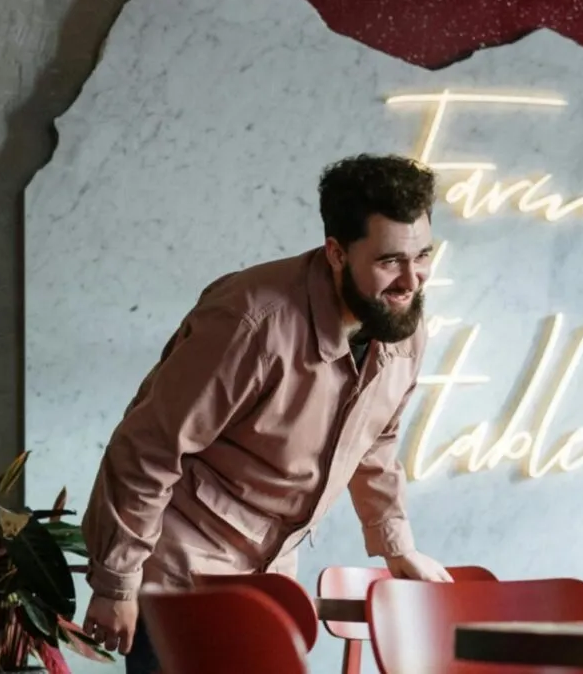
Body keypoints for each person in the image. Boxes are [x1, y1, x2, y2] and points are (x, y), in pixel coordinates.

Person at [80, 154, 451, 672]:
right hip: (179, 576)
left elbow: (377, 440)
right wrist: (116, 584)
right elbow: (147, 448)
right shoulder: (251, 322)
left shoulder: (400, 323)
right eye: (390, 261)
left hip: (268, 580)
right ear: (336, 252)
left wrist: (396, 545)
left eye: (424, 256)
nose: (412, 280)